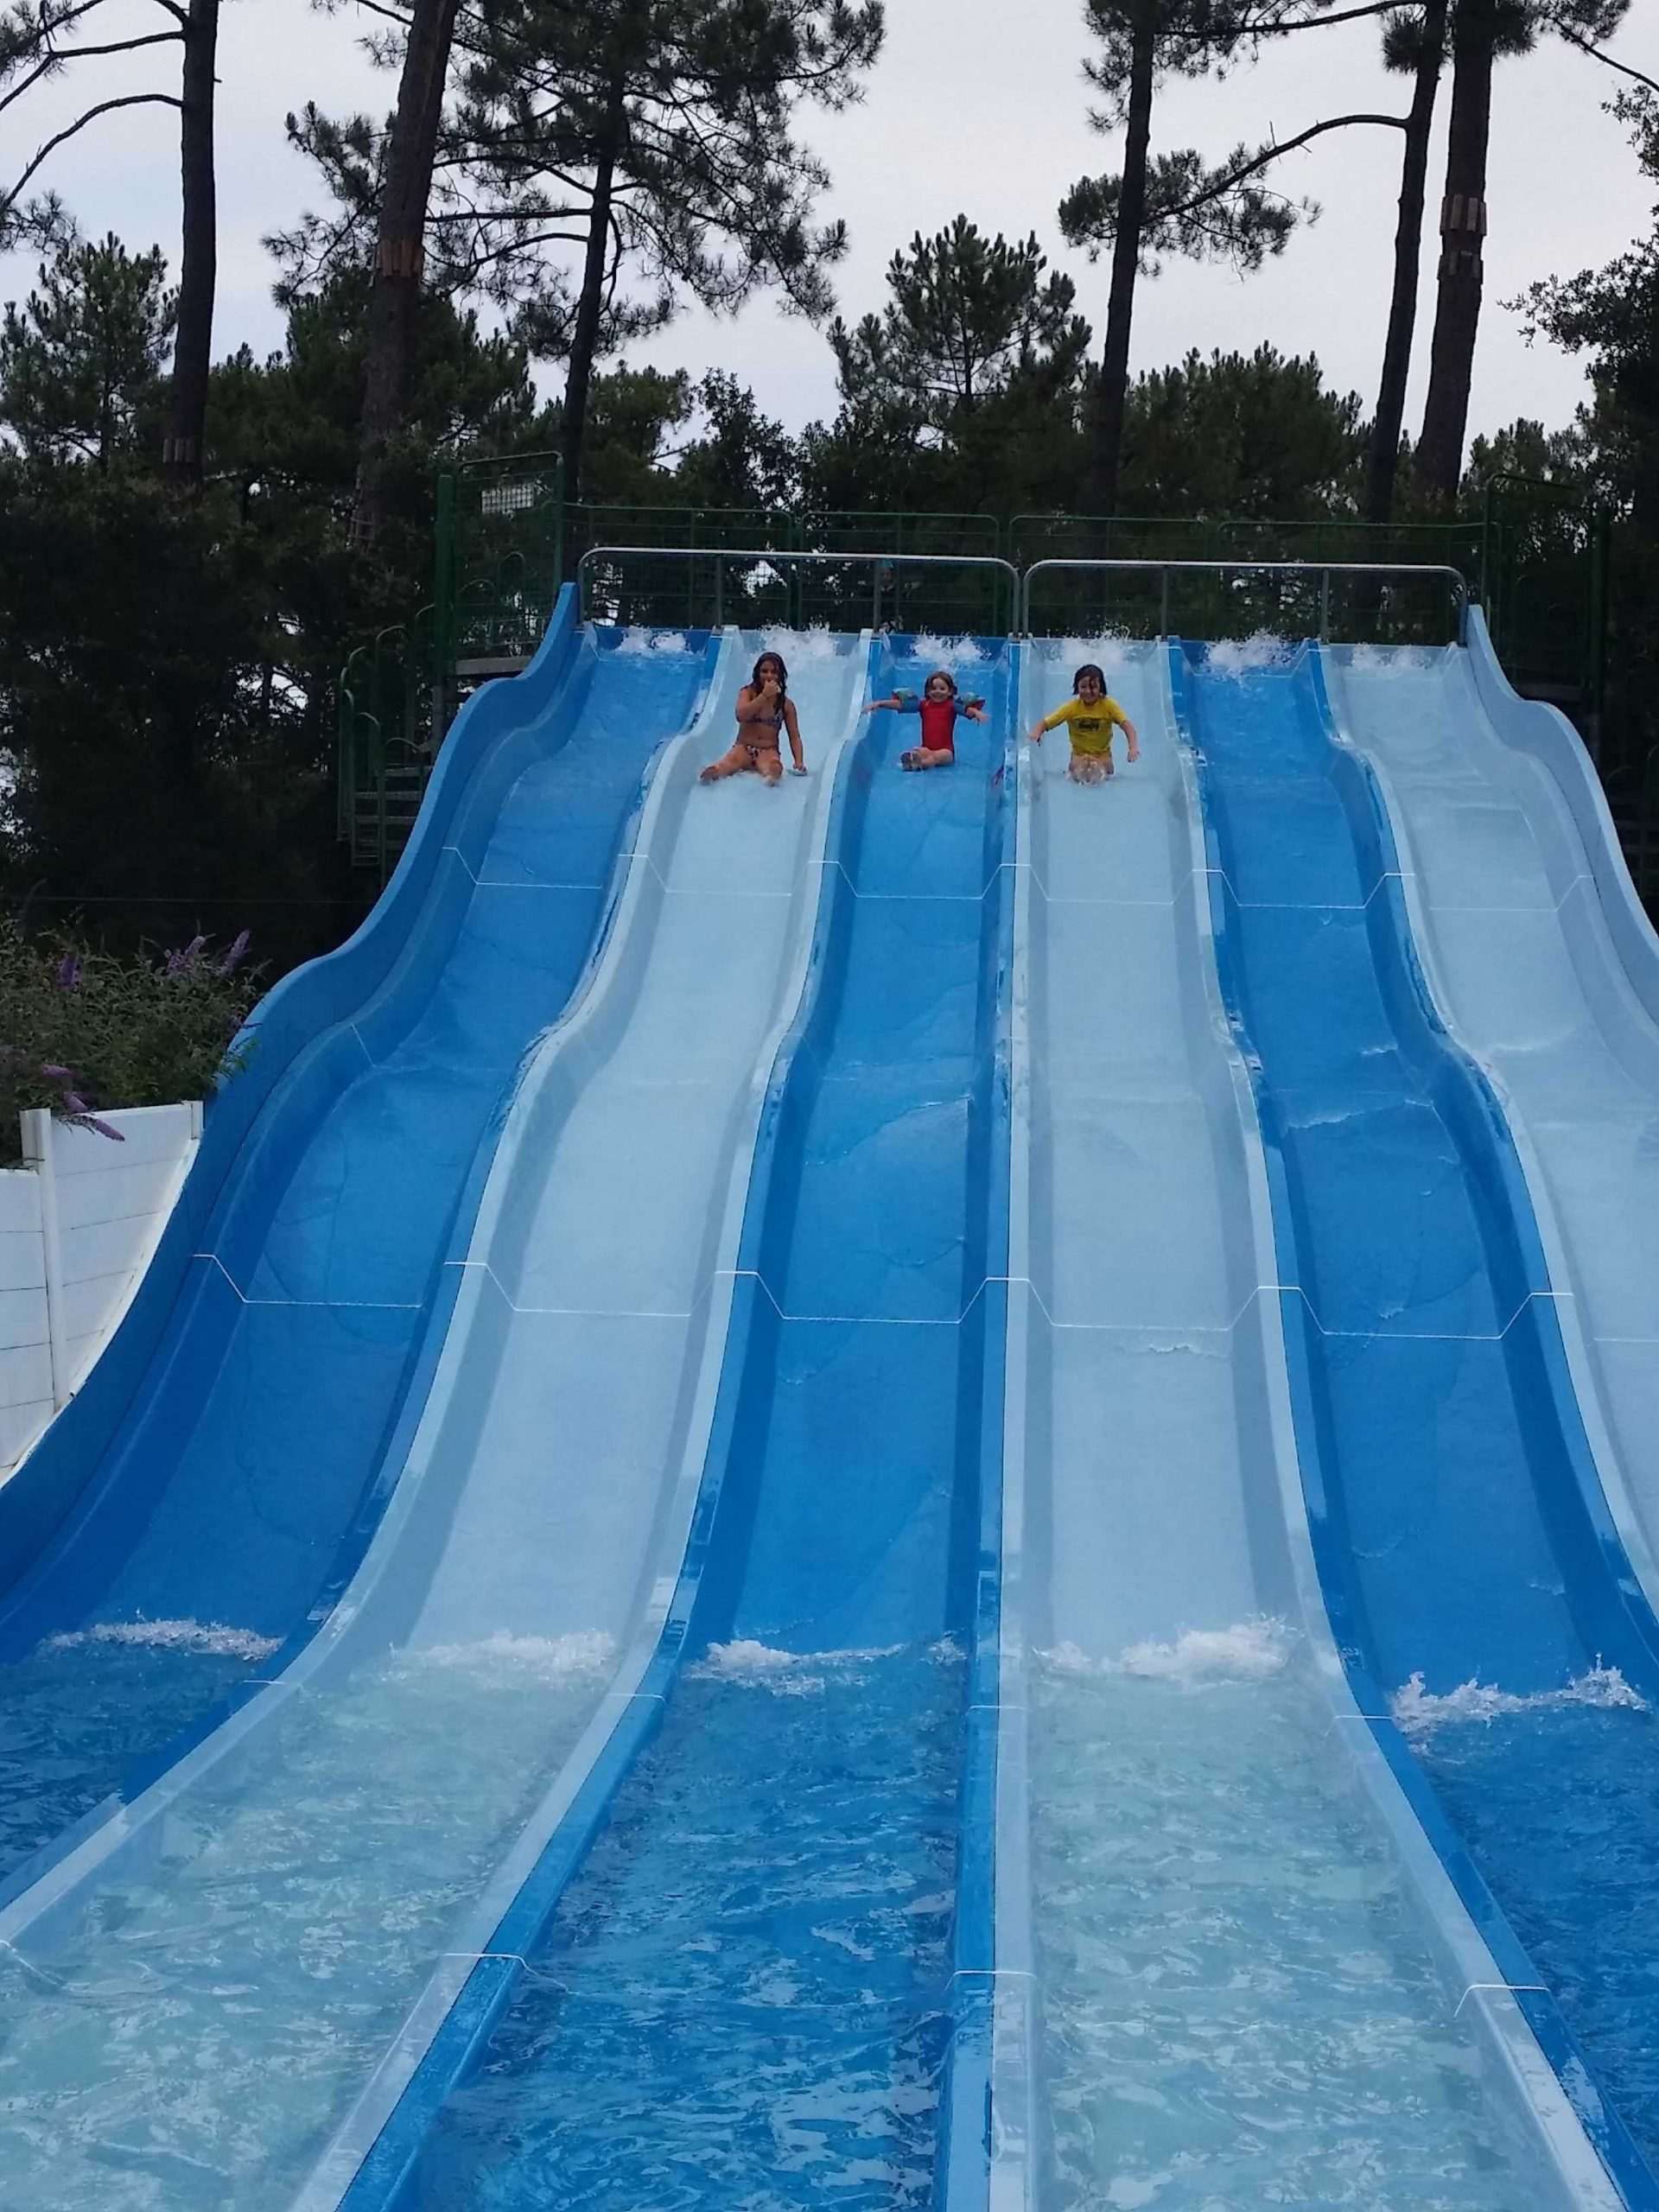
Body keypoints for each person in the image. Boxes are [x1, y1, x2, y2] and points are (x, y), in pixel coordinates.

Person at [700, 651, 807, 785]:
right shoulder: (747, 693)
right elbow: (741, 715)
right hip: (743, 747)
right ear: (757, 673)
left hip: (768, 750)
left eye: (774, 672)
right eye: (764, 671)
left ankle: (772, 775)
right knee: (726, 764)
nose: (769, 676)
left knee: (773, 767)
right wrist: (764, 696)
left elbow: (794, 736)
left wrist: (798, 761)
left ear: (780, 676)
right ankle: (713, 773)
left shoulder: (786, 705)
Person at [1027, 663, 1140, 784]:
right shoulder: (1072, 708)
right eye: (1083, 687)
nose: (1088, 691)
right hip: (1079, 755)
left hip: (1102, 755)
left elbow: (1128, 727)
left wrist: (1133, 748)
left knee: (1105, 771)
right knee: (1077, 770)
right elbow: (1046, 722)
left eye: (1093, 687)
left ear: (1101, 688)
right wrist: (1036, 733)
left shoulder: (1108, 706)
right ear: (1077, 687)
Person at [864, 668, 987, 771]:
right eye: (933, 688)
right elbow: (900, 705)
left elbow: (966, 710)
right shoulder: (924, 705)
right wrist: (880, 703)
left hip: (946, 751)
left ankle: (920, 764)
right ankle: (914, 759)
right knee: (920, 751)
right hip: (927, 748)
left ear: (950, 692)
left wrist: (976, 713)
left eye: (942, 689)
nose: (937, 692)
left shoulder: (951, 706)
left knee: (936, 757)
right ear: (928, 691)